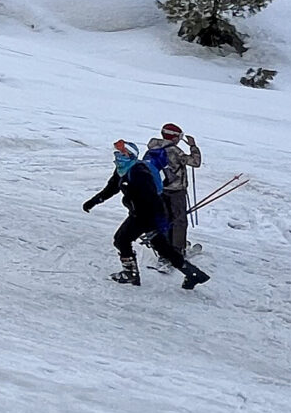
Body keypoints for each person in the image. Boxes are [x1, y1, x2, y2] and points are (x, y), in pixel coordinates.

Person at [84, 140, 209, 289]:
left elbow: (153, 199)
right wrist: (93, 202)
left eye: (120, 153)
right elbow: (111, 188)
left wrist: (159, 222)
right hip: (142, 214)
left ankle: (131, 274)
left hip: (145, 215)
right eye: (116, 153)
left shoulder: (139, 173)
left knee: (121, 240)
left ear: (130, 155)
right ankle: (194, 274)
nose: (116, 156)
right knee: (163, 248)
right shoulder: (122, 170)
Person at [149, 123, 202, 252]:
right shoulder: (174, 151)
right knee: (179, 220)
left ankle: (164, 247)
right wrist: (193, 146)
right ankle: (178, 249)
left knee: (165, 219)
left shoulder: (154, 147)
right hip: (176, 191)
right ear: (174, 138)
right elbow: (196, 162)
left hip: (160, 189)